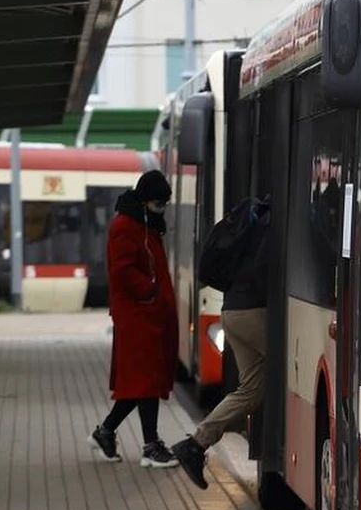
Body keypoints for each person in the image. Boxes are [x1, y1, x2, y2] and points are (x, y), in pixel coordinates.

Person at [171, 199, 271, 490]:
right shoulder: (276, 222)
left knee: (251, 390)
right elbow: (265, 269)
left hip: (233, 311)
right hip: (255, 314)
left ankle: (195, 445)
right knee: (294, 372)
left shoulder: (256, 217)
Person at [89, 169, 180, 468]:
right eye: (158, 202)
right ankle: (150, 446)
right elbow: (123, 271)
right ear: (144, 200)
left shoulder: (143, 223)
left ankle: (107, 432)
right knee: (145, 379)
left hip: (146, 313)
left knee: (143, 379)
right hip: (137, 313)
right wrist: (151, 291)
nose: (161, 207)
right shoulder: (126, 226)